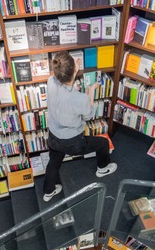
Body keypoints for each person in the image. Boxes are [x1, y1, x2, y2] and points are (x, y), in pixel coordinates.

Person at [42, 51, 117, 202]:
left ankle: (48, 191)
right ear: (74, 71)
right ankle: (102, 168)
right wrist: (90, 91)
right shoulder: (79, 99)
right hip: (72, 142)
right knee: (102, 143)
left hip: (53, 137)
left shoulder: (51, 81)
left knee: (54, 162)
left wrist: (73, 69)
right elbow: (88, 115)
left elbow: (62, 82)